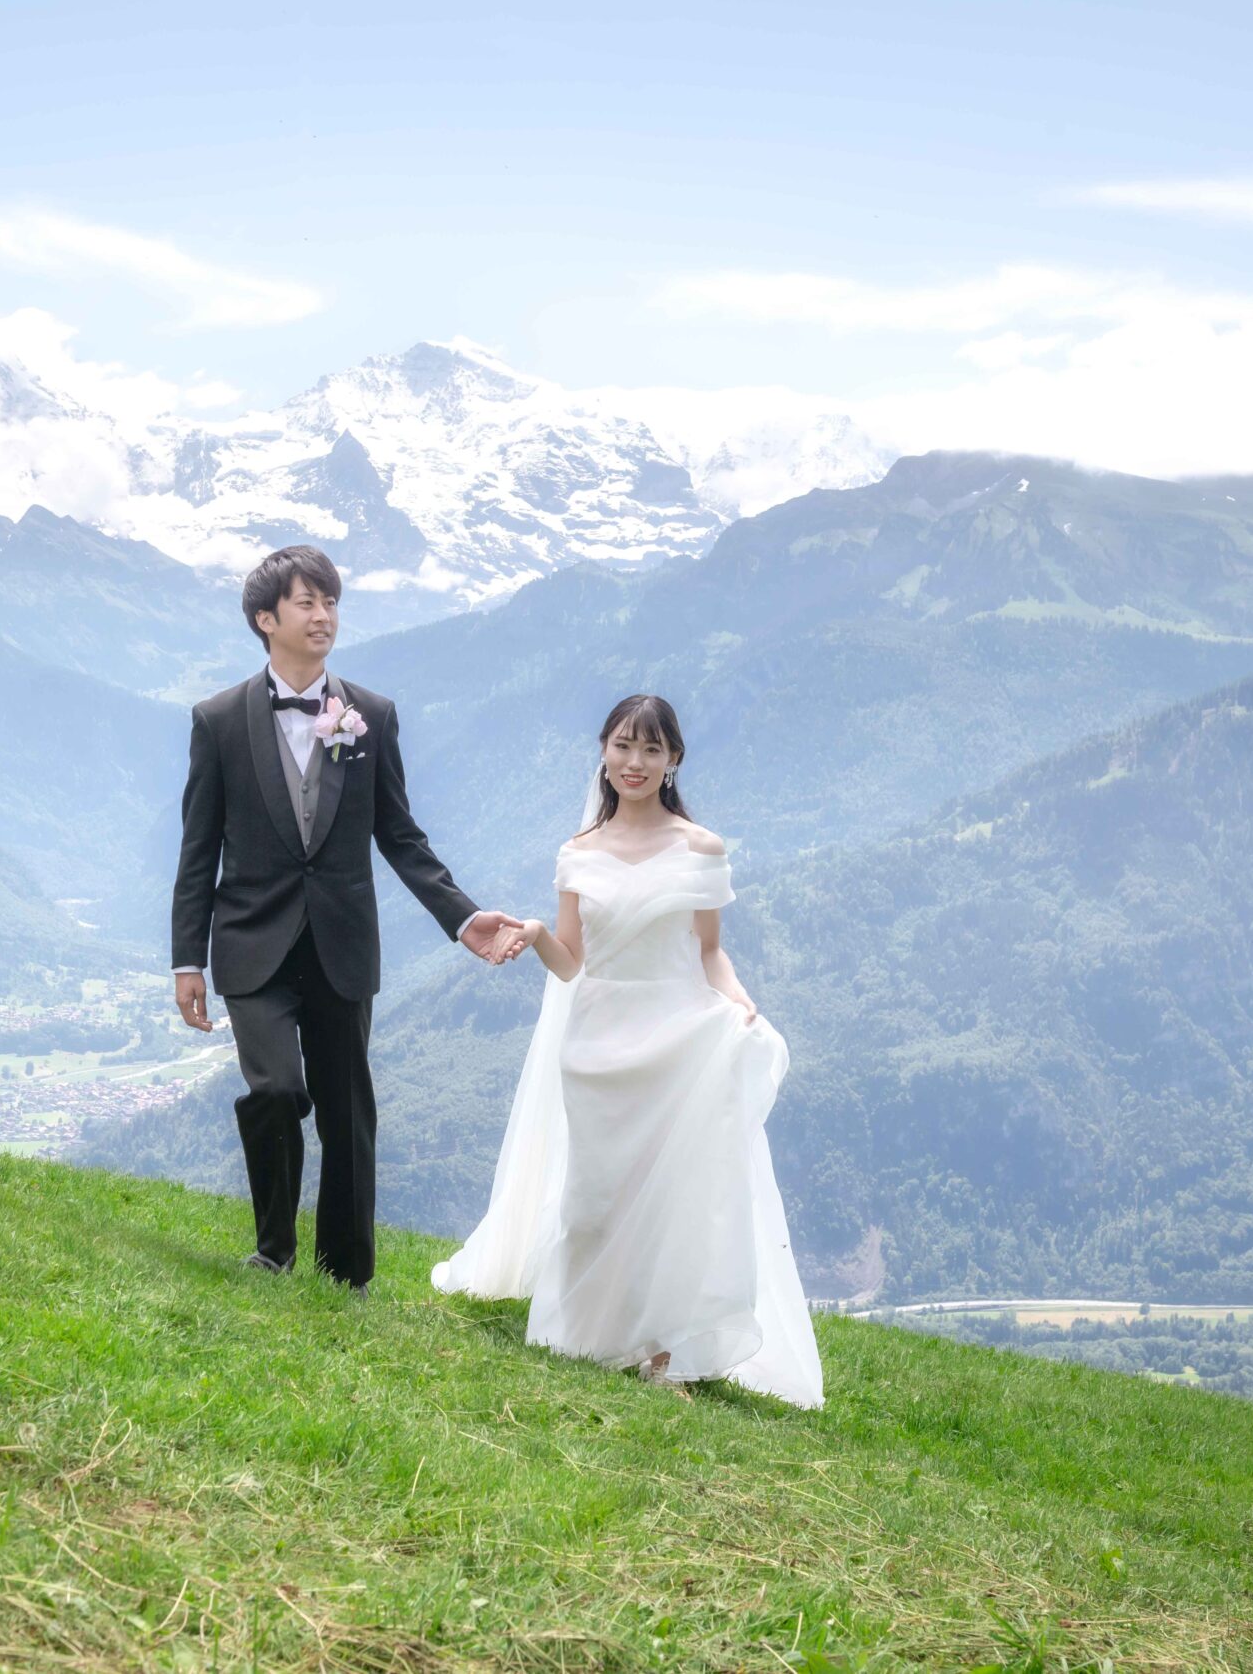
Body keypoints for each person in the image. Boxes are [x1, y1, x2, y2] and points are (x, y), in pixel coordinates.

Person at [430, 694, 824, 1407]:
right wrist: (533, 931)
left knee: (678, 1200)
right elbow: (573, 960)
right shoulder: (577, 853)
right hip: (598, 1044)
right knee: (595, 1200)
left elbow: (710, 953)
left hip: (677, 1038)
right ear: (603, 752)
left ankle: (666, 1350)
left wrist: (739, 1004)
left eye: (650, 749)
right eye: (622, 745)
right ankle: (593, 1329)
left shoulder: (701, 846)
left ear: (673, 760)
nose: (634, 762)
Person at [170, 544, 529, 1293]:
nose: (324, 614)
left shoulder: (372, 716)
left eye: (330, 600)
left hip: (341, 946)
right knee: (273, 1091)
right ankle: (273, 1250)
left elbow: (400, 835)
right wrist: (187, 960)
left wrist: (464, 920)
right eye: (306, 602)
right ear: (266, 619)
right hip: (251, 946)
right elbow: (198, 848)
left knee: (347, 1112)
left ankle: (346, 1276)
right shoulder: (217, 722)